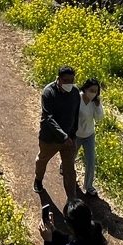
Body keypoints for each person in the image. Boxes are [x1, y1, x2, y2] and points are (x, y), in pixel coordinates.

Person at [35, 65, 81, 199]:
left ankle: (72, 200)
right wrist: (63, 136)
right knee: (42, 160)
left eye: (71, 80)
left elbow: (76, 114)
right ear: (58, 79)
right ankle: (38, 179)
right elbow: (48, 118)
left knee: (69, 170)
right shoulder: (48, 93)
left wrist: (73, 134)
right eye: (66, 81)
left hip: (69, 140)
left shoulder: (75, 92)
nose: (69, 84)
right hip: (50, 138)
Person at [76, 80, 104, 197]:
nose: (93, 93)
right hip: (76, 134)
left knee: (91, 161)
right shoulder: (77, 98)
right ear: (85, 89)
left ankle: (88, 186)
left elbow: (99, 118)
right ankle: (65, 166)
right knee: (71, 156)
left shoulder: (95, 102)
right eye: (91, 90)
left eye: (95, 91)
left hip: (89, 135)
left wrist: (98, 106)